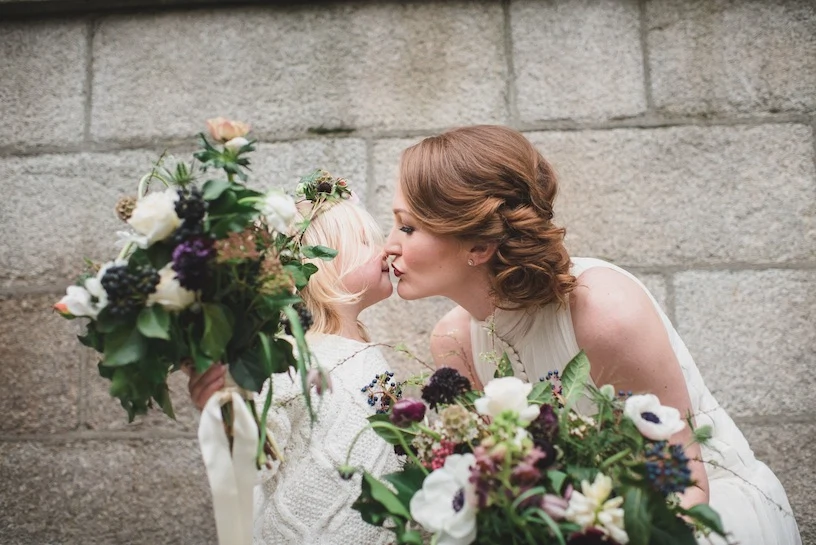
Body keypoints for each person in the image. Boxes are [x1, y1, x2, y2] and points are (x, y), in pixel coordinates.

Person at [383, 125, 802, 545]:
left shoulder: (602, 311)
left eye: (407, 228)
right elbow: (503, 485)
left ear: (478, 246)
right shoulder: (452, 341)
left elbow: (683, 485)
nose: (389, 246)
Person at [186, 182, 400, 545]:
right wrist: (227, 409)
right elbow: (250, 462)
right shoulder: (290, 360)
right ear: (319, 263)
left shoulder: (366, 351)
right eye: (366, 242)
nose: (385, 251)